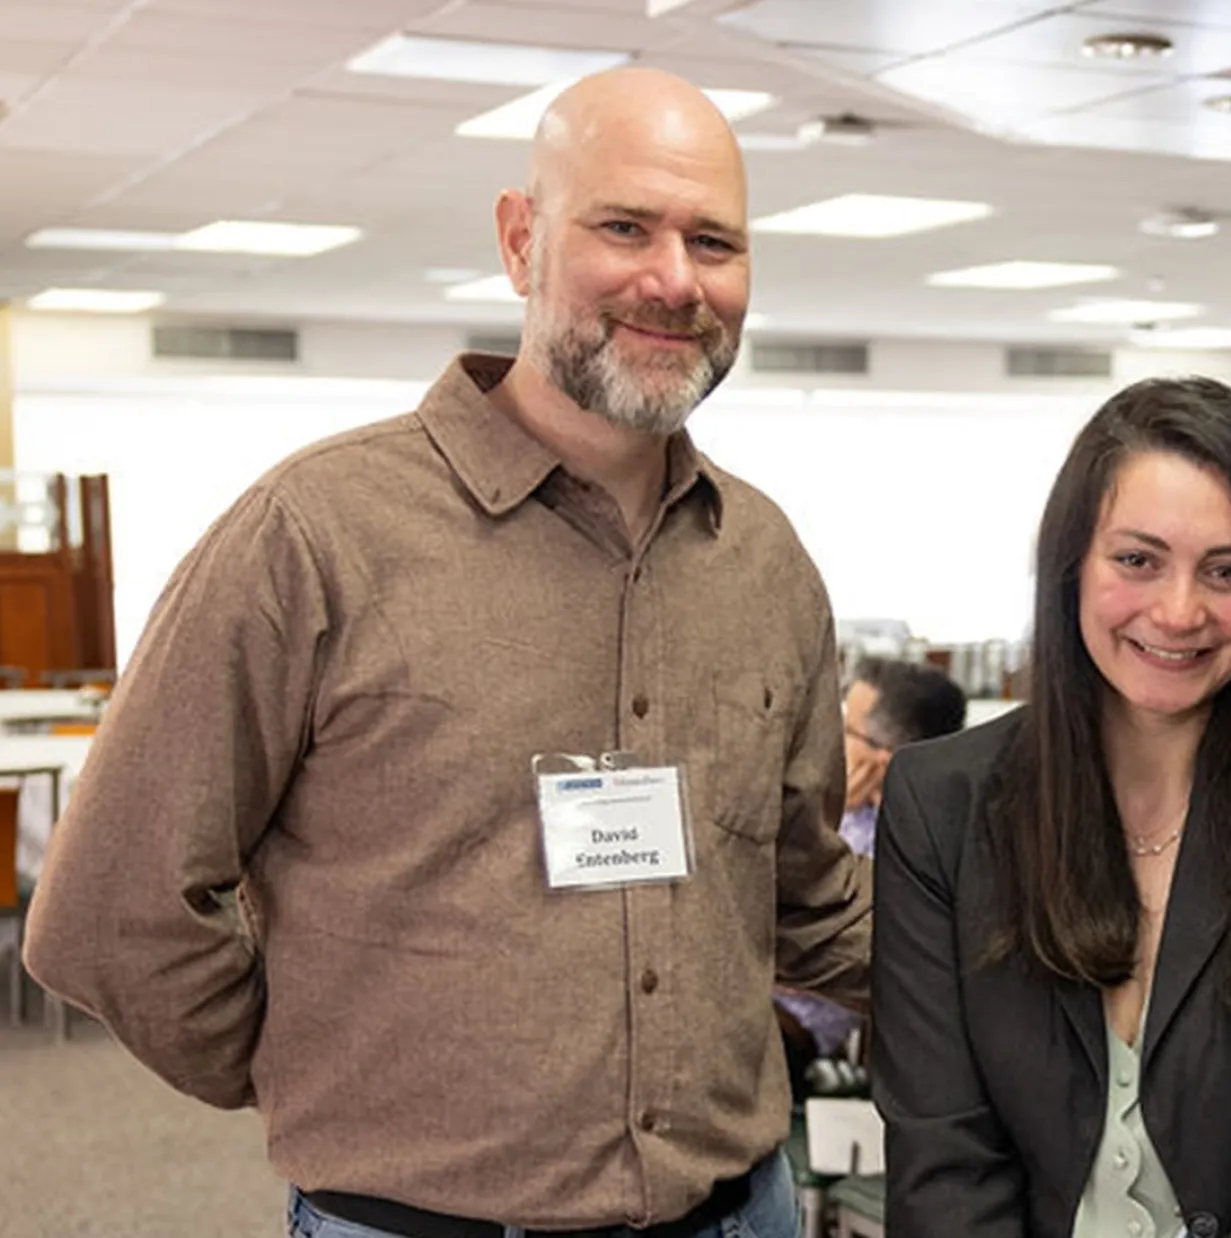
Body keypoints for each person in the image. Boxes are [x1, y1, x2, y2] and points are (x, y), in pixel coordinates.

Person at [24, 67, 868, 1237]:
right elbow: (113, 906)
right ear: (521, 241)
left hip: (737, 1212)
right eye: (624, 227)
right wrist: (303, 1060)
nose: (675, 279)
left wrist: (1065, 950)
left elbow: (804, 893)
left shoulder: (764, 560)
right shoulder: (315, 534)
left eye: (713, 241)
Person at [871, 376, 1231, 1237]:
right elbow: (943, 1160)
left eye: (1228, 571)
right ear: (1072, 565)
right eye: (1137, 560)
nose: (1178, 612)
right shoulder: (941, 806)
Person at [778, 657, 966, 1084]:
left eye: (847, 730)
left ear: (883, 758)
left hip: (789, 1026)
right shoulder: (841, 809)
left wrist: (825, 821)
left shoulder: (919, 843)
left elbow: (797, 933)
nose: (832, 741)